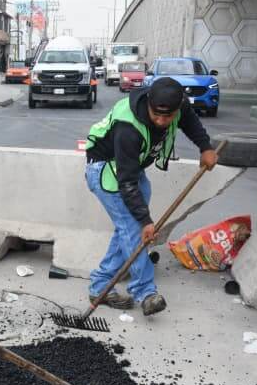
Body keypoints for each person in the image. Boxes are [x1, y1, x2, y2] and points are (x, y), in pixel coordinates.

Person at [84, 77, 218, 316]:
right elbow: (126, 183)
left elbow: (189, 120)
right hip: (107, 171)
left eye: (168, 117)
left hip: (130, 170)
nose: (162, 121)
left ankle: (100, 285)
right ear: (148, 104)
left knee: (127, 231)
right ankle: (146, 293)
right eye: (156, 115)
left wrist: (205, 147)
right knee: (134, 230)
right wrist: (146, 221)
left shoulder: (178, 104)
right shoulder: (127, 128)